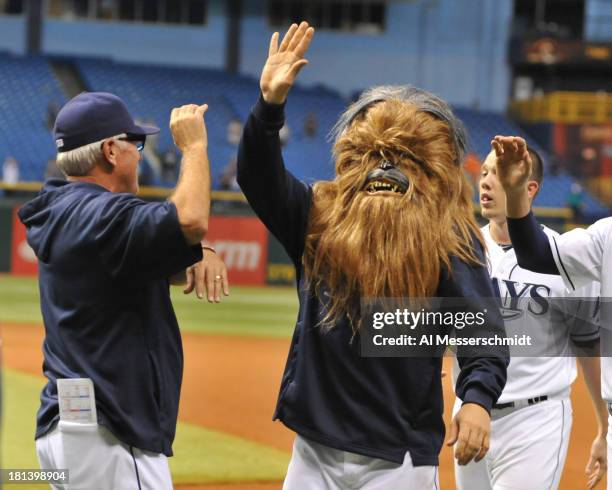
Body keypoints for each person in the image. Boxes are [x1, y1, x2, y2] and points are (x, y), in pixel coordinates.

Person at [237, 22, 508, 489]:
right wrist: (269, 108)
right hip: (313, 450)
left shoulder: (448, 236)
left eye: (403, 159)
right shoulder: (319, 215)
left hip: (398, 457)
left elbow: (481, 333)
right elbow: (258, 177)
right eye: (375, 156)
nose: (386, 171)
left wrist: (478, 401)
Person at [18, 92, 228, 489]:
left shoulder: (65, 210)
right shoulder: (99, 215)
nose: (138, 154)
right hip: (109, 434)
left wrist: (196, 252)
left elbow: (128, 262)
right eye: (136, 143)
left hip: (69, 427)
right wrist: (196, 148)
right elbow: (191, 219)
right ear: (111, 151)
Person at [453, 146, 606, 489]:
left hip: (535, 419)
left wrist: (603, 423)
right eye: (485, 172)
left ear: (529, 187)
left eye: (499, 171)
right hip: (471, 410)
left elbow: (587, 343)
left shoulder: (563, 258)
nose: (486, 182)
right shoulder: (463, 250)